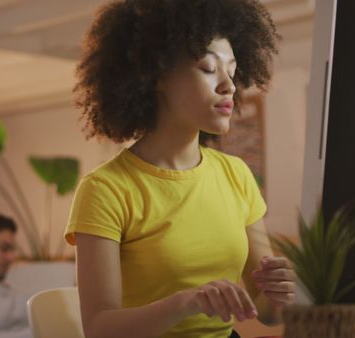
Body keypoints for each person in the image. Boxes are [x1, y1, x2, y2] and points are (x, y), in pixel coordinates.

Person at [65, 0, 296, 337]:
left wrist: (277, 294)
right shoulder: (105, 190)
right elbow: (100, 329)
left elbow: (266, 313)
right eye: (207, 67)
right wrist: (185, 304)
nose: (229, 85)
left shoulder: (236, 174)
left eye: (231, 71)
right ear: (156, 74)